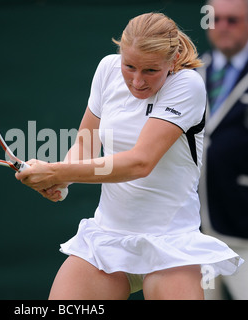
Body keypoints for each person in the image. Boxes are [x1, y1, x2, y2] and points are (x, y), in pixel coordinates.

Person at [16, 12, 243, 300]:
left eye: (150, 71)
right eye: (130, 66)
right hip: (106, 240)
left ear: (172, 62)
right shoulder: (107, 70)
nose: (137, 81)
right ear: (120, 55)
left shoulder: (187, 85)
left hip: (171, 244)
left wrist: (58, 172)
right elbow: (85, 143)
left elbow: (140, 162)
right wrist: (63, 180)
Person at [197, 0, 248, 300]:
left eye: (234, 19)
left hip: (243, 234)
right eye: (216, 19)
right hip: (195, 236)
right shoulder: (189, 74)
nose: (223, 27)